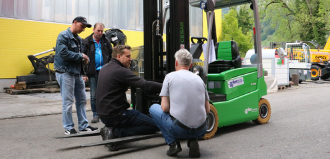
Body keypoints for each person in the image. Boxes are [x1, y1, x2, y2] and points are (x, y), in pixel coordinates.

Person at [96, 45, 162, 150]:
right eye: (128, 56)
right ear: (118, 56)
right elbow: (145, 85)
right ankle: (115, 132)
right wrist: (167, 87)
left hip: (104, 114)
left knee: (138, 118)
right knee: (154, 125)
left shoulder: (105, 68)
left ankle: (111, 128)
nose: (130, 59)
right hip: (116, 115)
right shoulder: (121, 71)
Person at [149, 49, 210, 157]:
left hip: (179, 129)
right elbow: (207, 110)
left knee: (153, 108)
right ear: (191, 64)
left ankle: (173, 144)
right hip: (202, 129)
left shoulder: (169, 77)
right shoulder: (200, 80)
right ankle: (193, 141)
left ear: (176, 63)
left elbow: (164, 108)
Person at [54, 16, 98, 135]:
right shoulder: (63, 36)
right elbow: (63, 53)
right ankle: (68, 127)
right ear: (75, 23)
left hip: (77, 73)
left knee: (82, 99)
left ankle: (83, 126)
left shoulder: (79, 39)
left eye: (84, 27)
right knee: (68, 101)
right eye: (82, 26)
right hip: (65, 72)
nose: (83, 29)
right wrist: (80, 56)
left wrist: (84, 64)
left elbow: (79, 57)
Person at [83, 22, 112, 123]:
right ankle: (96, 114)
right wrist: (84, 73)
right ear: (93, 30)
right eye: (98, 30)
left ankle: (107, 113)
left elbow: (110, 55)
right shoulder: (87, 41)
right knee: (94, 95)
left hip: (105, 72)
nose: (100, 33)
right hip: (92, 72)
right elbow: (82, 58)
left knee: (106, 93)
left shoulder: (106, 41)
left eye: (102, 31)